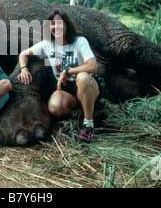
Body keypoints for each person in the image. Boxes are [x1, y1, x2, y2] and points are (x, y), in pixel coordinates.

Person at [17, 10, 100, 143]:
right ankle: (78, 114)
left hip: (85, 86)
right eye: (53, 24)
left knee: (82, 77)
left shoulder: (80, 41)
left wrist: (67, 72)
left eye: (60, 23)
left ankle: (88, 125)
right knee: (54, 107)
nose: (56, 27)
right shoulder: (48, 44)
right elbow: (23, 54)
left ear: (67, 25)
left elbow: (93, 67)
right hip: (66, 90)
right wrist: (23, 69)